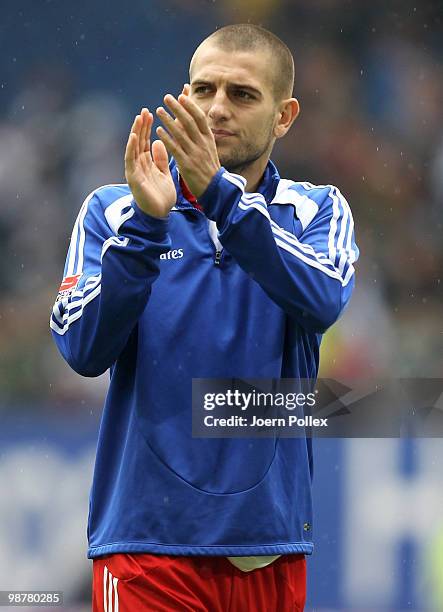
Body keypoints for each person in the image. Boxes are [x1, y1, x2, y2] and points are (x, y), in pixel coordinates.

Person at [50, 23, 358, 612]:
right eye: (202, 89)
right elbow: (82, 349)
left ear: (284, 115)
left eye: (242, 94)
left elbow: (322, 299)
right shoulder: (114, 210)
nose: (217, 108)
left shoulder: (316, 209)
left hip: (268, 549)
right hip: (145, 548)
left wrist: (219, 196)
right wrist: (145, 229)